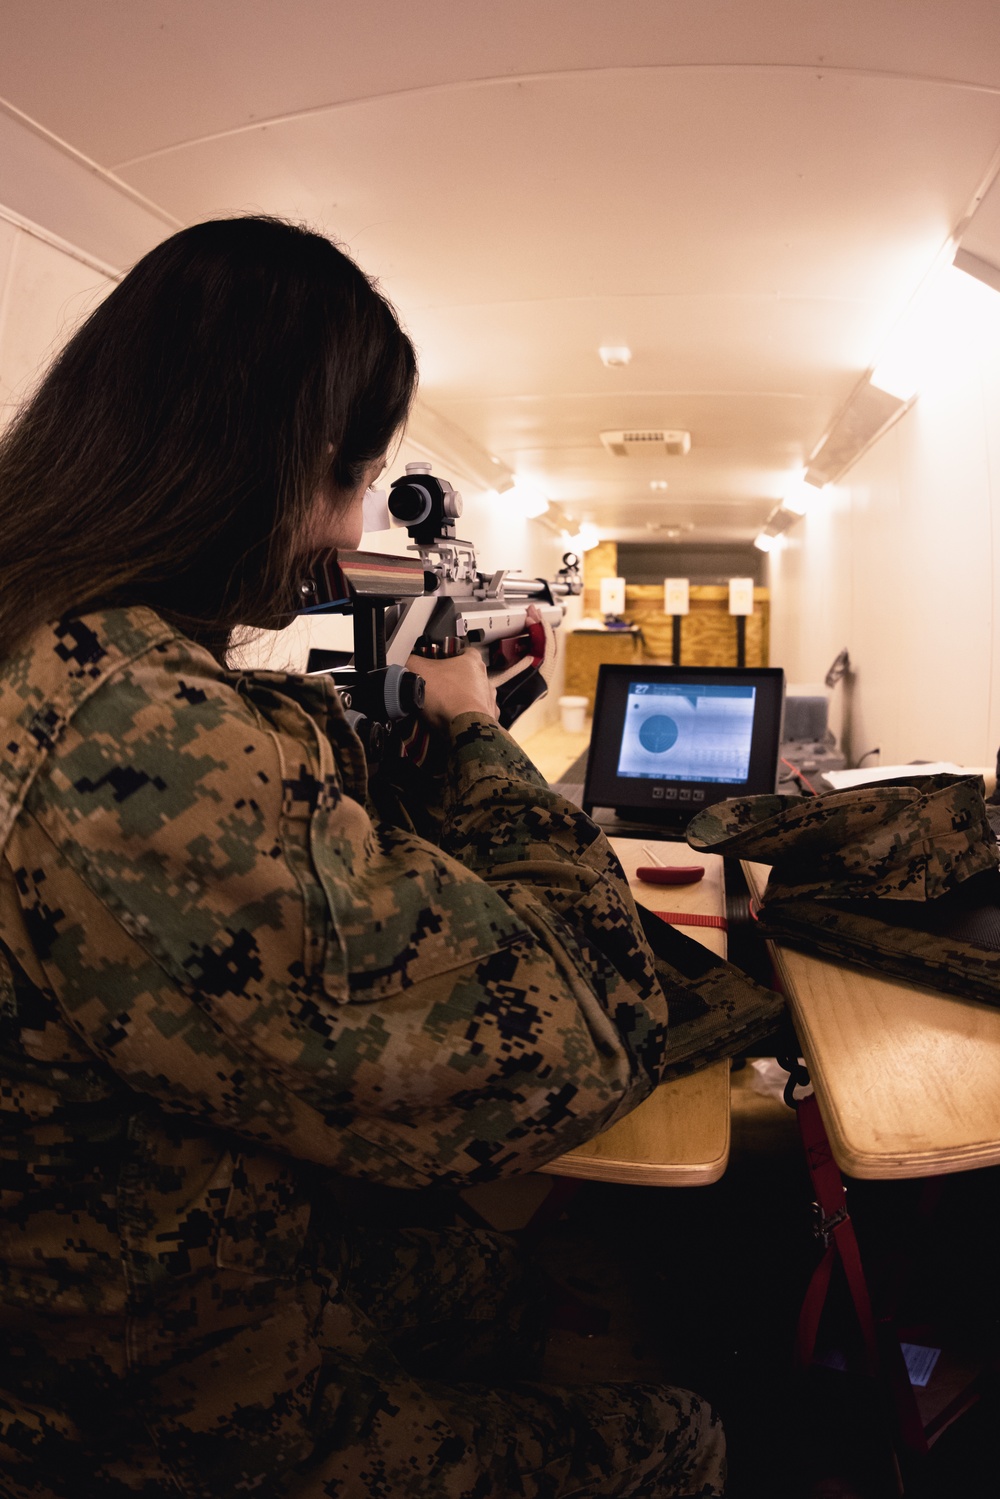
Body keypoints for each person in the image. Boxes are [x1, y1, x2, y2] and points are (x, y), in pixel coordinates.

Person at [0, 217, 725, 1498]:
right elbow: (581, 1037)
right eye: (356, 481)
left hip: (126, 1236)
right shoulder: (140, 731)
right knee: (677, 1433)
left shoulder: (49, 641)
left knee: (494, 1287)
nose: (346, 531)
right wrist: (464, 727)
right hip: (133, 1394)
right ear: (275, 466)